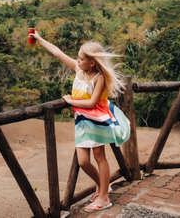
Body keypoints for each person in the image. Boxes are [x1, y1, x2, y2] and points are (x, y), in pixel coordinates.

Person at [29, 30, 130, 213]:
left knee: (100, 157)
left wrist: (70, 101)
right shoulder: (78, 70)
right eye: (78, 58)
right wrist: (39, 38)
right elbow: (57, 53)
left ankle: (104, 197)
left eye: (82, 59)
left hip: (96, 120)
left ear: (92, 63)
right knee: (83, 161)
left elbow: (92, 103)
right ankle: (102, 185)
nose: (78, 61)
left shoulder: (98, 78)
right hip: (82, 122)